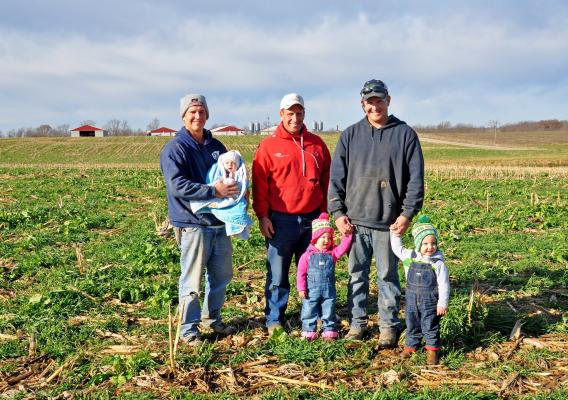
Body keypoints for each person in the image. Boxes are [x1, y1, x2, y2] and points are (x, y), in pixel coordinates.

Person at [328, 79, 424, 347]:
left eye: (379, 100)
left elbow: (415, 180)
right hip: (355, 222)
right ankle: (357, 324)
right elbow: (336, 178)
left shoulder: (405, 135)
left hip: (388, 223)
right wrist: (337, 213)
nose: (374, 106)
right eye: (369, 102)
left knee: (387, 277)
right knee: (356, 275)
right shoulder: (350, 135)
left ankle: (388, 327)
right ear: (362, 104)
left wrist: (406, 214)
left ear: (388, 100)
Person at [160, 93, 238, 345]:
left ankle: (211, 319)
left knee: (222, 276)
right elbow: (177, 185)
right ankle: (188, 330)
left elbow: (230, 174)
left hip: (218, 223)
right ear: (183, 116)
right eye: (192, 112)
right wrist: (213, 191)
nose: (197, 116)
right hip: (193, 225)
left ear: (207, 115)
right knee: (191, 280)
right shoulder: (175, 148)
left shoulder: (216, 147)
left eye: (201, 112)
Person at [252, 93, 332, 334]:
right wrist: (263, 215)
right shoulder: (269, 146)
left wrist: (325, 214)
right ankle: (274, 319)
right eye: (290, 113)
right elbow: (259, 184)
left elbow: (328, 181)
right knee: (278, 273)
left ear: (304, 114)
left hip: (313, 220)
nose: (295, 118)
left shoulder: (317, 145)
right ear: (281, 114)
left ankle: (312, 317)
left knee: (314, 272)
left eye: (299, 113)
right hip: (280, 220)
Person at [390, 215, 449, 365]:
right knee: (412, 323)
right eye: (425, 243)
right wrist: (395, 234)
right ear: (417, 243)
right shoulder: (410, 257)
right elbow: (397, 248)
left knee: (430, 324)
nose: (430, 247)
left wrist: (442, 303)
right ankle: (411, 346)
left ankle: (432, 350)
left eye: (433, 243)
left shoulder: (438, 263)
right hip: (411, 299)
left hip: (430, 301)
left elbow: (443, 284)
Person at [296, 213, 352, 341]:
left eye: (329, 238)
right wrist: (301, 288)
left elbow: (343, 247)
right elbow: (301, 273)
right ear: (315, 238)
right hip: (311, 291)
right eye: (323, 237)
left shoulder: (332, 253)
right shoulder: (307, 255)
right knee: (309, 310)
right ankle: (309, 331)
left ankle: (329, 331)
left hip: (328, 290)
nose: (326, 240)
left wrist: (347, 236)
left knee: (328, 309)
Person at [189, 150, 253, 239]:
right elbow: (215, 183)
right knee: (227, 209)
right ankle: (235, 227)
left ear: (237, 165)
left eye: (233, 163)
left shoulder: (239, 174)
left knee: (240, 209)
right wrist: (220, 186)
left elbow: (243, 185)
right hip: (221, 197)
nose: (230, 165)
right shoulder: (219, 173)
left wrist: (241, 188)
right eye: (227, 163)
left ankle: (238, 228)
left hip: (235, 197)